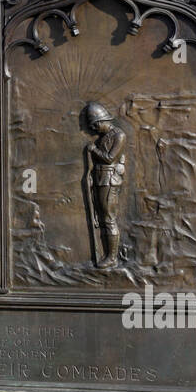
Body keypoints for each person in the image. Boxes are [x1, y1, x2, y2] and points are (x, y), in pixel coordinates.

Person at [82, 101, 126, 269]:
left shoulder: (118, 135)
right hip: (100, 178)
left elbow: (110, 158)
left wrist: (93, 150)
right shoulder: (103, 137)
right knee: (102, 218)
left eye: (94, 125)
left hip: (109, 180)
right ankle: (109, 254)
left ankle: (112, 257)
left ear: (100, 122)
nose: (93, 129)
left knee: (109, 218)